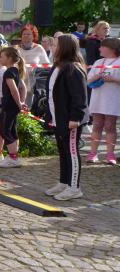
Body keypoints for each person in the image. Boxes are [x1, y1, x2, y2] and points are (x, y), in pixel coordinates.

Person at [45, 34, 88, 201]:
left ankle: (74, 187)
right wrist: (50, 116)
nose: (52, 47)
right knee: (63, 152)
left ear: (65, 48)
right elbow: (52, 94)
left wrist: (75, 118)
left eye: (55, 45)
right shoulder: (57, 67)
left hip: (71, 120)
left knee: (72, 152)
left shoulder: (73, 69)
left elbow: (80, 97)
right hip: (59, 119)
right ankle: (64, 182)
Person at [85, 37, 120, 165]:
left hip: (112, 99)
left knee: (110, 126)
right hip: (98, 98)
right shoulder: (98, 62)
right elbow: (88, 80)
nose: (99, 48)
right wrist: (97, 76)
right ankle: (93, 153)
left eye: (102, 46)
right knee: (97, 125)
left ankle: (110, 155)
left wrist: (113, 79)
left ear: (111, 48)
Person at [0, 46, 27, 168]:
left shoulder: (8, 72)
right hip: (12, 106)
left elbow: (14, 89)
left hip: (9, 106)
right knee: (12, 130)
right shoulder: (15, 71)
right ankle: (14, 157)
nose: (0, 59)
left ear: (9, 58)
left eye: (2, 56)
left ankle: (13, 158)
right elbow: (22, 88)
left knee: (5, 131)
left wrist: (20, 103)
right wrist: (21, 102)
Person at [19, 24, 50, 105]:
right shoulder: (16, 48)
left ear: (33, 36)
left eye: (28, 34)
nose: (26, 36)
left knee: (30, 106)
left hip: (33, 83)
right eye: (24, 34)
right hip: (19, 82)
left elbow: (46, 66)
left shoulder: (39, 48)